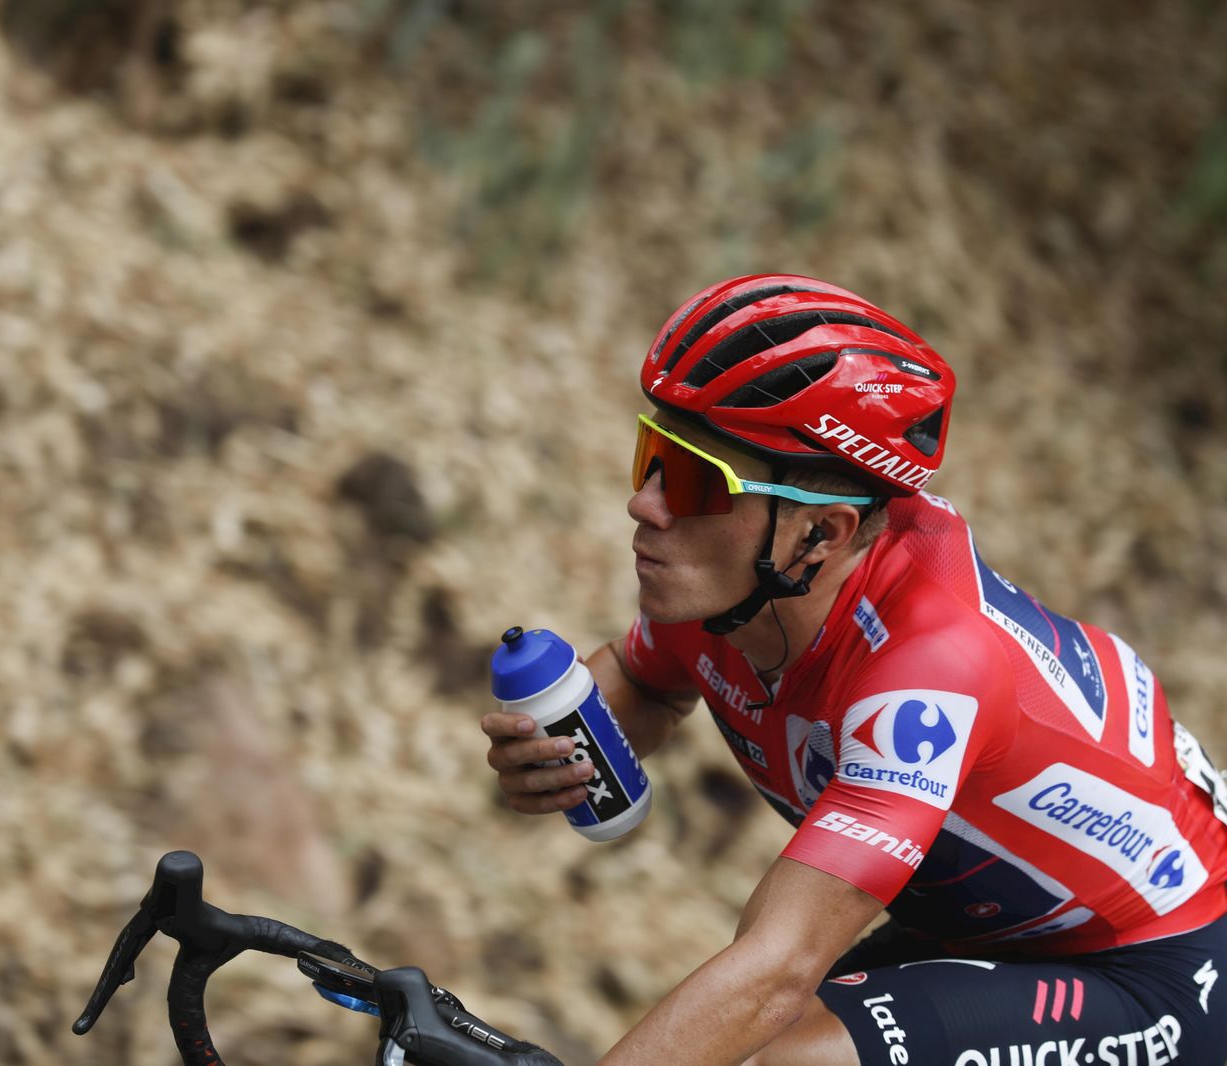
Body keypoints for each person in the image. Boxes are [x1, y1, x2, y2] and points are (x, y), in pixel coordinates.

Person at [481, 275, 1227, 1065]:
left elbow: (773, 972)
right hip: (983, 930)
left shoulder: (928, 671)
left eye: (696, 482)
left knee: (787, 1056)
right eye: (652, 457)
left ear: (824, 534)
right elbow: (645, 688)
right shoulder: (731, 589)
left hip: (1157, 965)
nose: (647, 504)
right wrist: (561, 751)